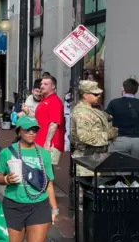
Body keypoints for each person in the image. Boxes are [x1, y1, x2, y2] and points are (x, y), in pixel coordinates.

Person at [70, 81, 117, 213]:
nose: (98, 97)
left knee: (92, 198)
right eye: (95, 94)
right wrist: (107, 135)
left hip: (94, 160)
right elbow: (84, 137)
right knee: (86, 200)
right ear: (85, 95)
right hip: (86, 160)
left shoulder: (91, 110)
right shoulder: (82, 113)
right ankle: (84, 228)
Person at [35, 74, 65, 165]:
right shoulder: (44, 100)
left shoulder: (54, 101)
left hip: (50, 142)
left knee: (44, 170)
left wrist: (47, 142)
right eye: (41, 84)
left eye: (46, 84)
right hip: (40, 140)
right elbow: (41, 117)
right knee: (42, 170)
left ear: (53, 86)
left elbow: (54, 123)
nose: (42, 86)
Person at [106, 78, 139, 158]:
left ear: (123, 88)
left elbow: (106, 119)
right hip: (138, 140)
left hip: (120, 140)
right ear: (136, 90)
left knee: (119, 168)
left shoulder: (114, 103)